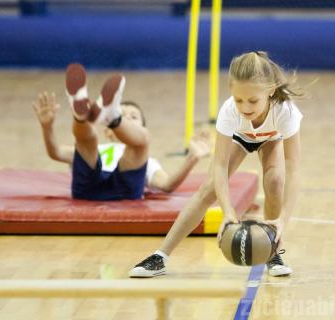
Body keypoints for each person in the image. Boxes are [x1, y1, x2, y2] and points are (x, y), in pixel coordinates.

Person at [129, 51, 303, 278]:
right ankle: (160, 256)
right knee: (208, 189)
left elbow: (294, 168)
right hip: (240, 138)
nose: (245, 107)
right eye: (239, 100)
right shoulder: (230, 111)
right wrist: (228, 213)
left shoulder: (285, 110)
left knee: (275, 181)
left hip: (271, 138)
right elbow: (220, 166)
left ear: (270, 90)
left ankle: (273, 253)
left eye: (253, 101)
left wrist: (283, 221)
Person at [32, 63, 211, 199]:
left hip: (124, 191)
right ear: (109, 133)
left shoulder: (148, 161)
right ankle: (81, 116)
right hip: (89, 188)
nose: (129, 118)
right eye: (123, 115)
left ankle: (105, 117)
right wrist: (47, 127)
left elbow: (166, 185)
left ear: (140, 127)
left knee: (140, 143)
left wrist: (192, 157)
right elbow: (55, 152)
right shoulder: (100, 150)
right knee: (89, 141)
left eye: (133, 117)